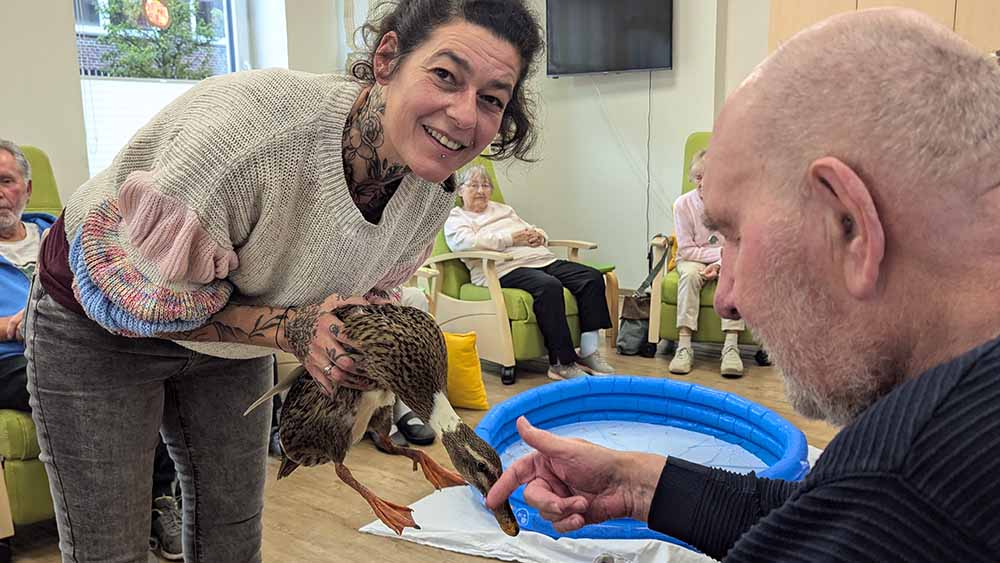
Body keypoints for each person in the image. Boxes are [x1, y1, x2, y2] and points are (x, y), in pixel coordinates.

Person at [23, 1, 543, 560]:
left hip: (233, 341)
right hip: (101, 319)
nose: (466, 116)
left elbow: (366, 288)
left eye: (492, 99)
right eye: (445, 75)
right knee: (110, 550)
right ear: (388, 58)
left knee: (233, 533)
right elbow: (133, 294)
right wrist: (291, 331)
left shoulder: (432, 189)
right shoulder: (251, 139)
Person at [486, 8, 1000, 562]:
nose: (728, 295)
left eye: (732, 235)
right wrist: (636, 485)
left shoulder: (908, 484)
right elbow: (816, 512)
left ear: (847, 225)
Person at [0, 141, 185, 560]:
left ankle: (159, 503)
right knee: (101, 385)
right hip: (9, 357)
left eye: (6, 182)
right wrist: (16, 323)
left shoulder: (61, 232)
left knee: (151, 374)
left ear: (27, 189)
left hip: (82, 340)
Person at [444, 165, 615, 381]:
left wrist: (539, 236)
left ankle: (588, 352)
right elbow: (465, 243)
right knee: (548, 285)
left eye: (486, 185)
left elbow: (530, 228)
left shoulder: (504, 210)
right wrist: (510, 239)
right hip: (503, 268)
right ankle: (561, 362)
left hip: (540, 259)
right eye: (474, 185)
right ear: (460, 190)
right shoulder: (456, 218)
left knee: (590, 277)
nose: (480, 191)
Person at [669, 148, 747, 378]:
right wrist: (718, 256)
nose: (701, 183)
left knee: (735, 276)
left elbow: (737, 244)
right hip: (691, 260)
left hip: (725, 259)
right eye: (698, 177)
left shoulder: (732, 205)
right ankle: (684, 347)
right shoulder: (682, 205)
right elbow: (685, 249)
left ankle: (731, 347)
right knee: (691, 275)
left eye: (708, 177)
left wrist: (722, 265)